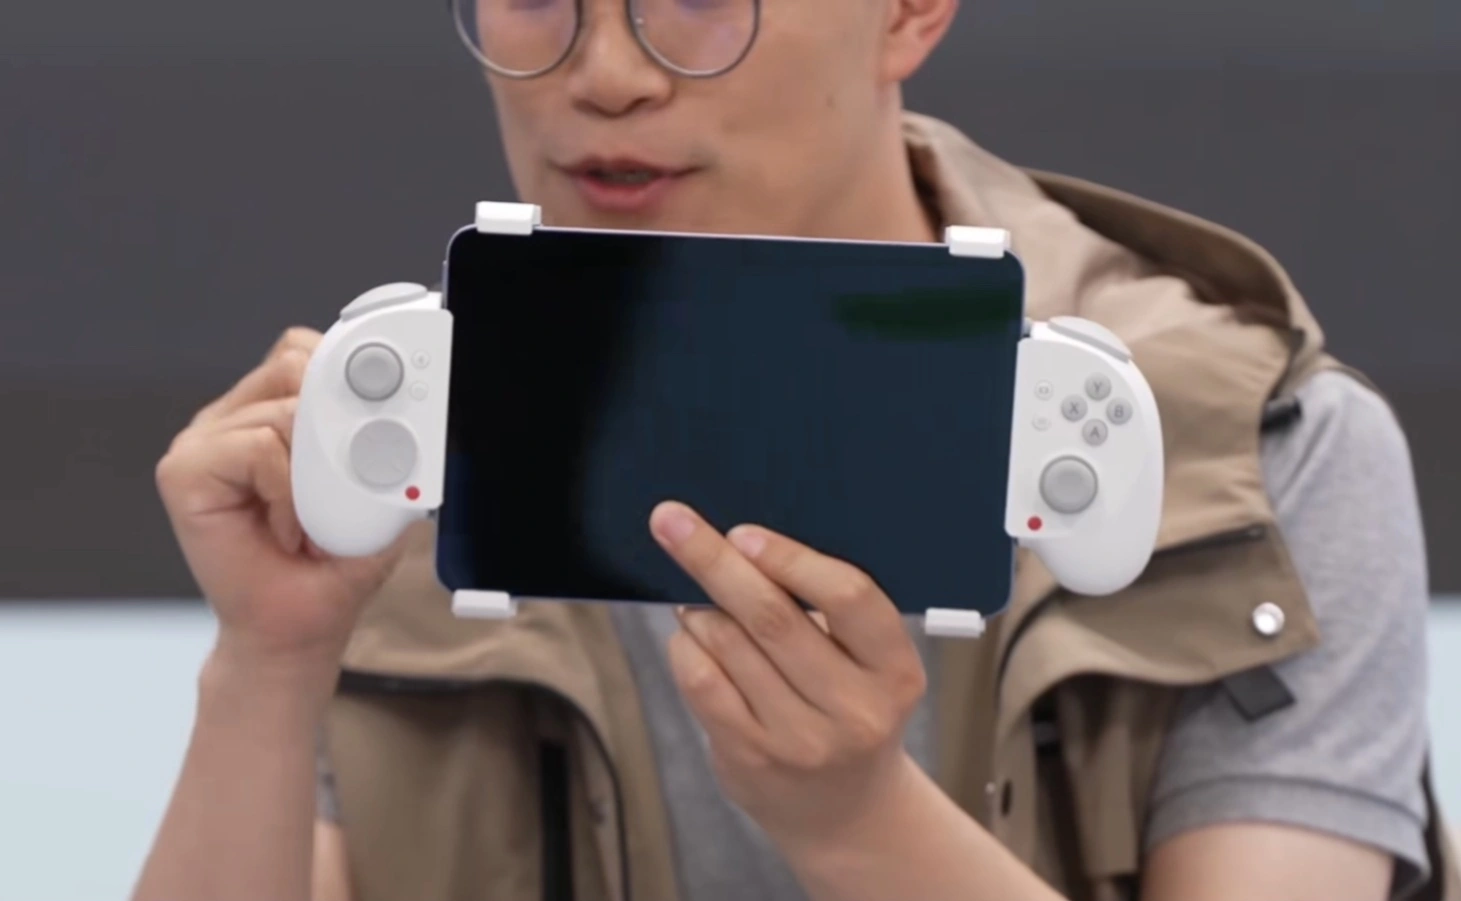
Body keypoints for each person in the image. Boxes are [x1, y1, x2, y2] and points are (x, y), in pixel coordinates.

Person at [134, 0, 1459, 899]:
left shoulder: (1254, 456)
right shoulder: (404, 458)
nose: (606, 71)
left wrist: (856, 820)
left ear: (910, 11)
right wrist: (267, 665)